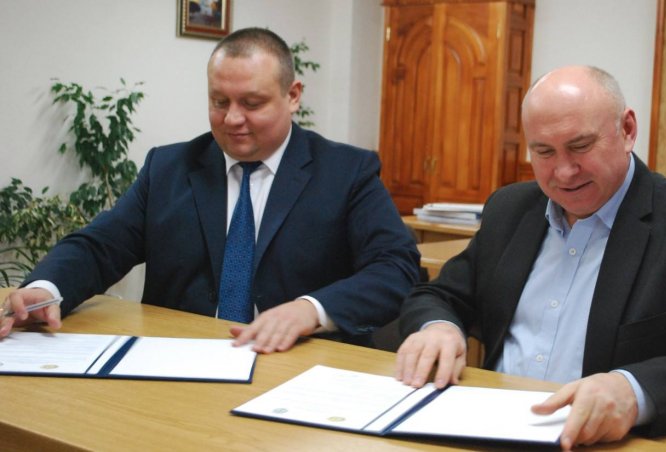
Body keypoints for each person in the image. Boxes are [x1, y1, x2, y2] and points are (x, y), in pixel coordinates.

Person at [395, 65, 666, 449]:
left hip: (606, 442)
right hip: (487, 431)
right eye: (544, 151)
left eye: (581, 146)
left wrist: (633, 391)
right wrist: (438, 327)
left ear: (627, 130)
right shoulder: (511, 209)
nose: (564, 172)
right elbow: (439, 295)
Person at [0, 27, 421, 353]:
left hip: (300, 366)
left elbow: (395, 268)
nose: (232, 119)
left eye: (252, 103)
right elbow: (101, 246)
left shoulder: (346, 172)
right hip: (180, 362)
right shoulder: (169, 168)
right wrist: (45, 289)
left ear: (293, 95)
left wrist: (310, 310)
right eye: (220, 102)